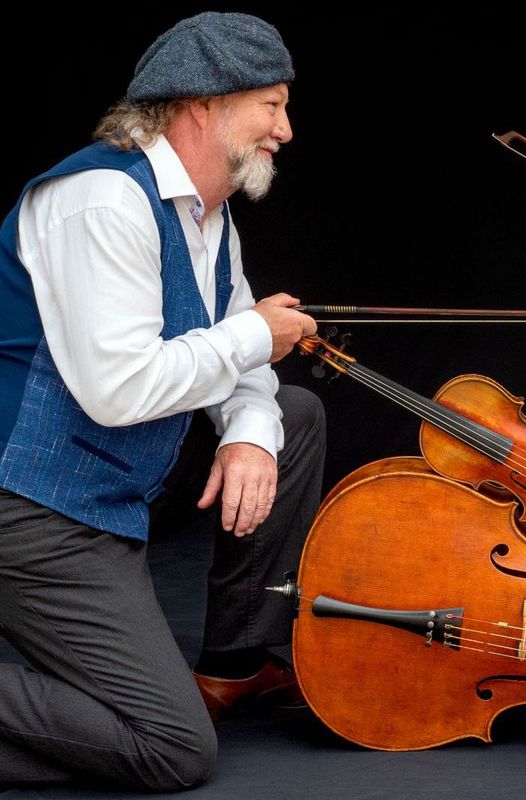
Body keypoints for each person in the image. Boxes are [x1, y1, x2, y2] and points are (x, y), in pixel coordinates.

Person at [0, 12, 325, 791]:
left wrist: (249, 431)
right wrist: (254, 335)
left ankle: (233, 666)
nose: (285, 130)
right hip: (34, 506)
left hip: (116, 485)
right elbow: (120, 389)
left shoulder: (209, 214)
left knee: (290, 417)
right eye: (271, 106)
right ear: (202, 105)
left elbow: (242, 358)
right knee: (172, 749)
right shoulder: (103, 201)